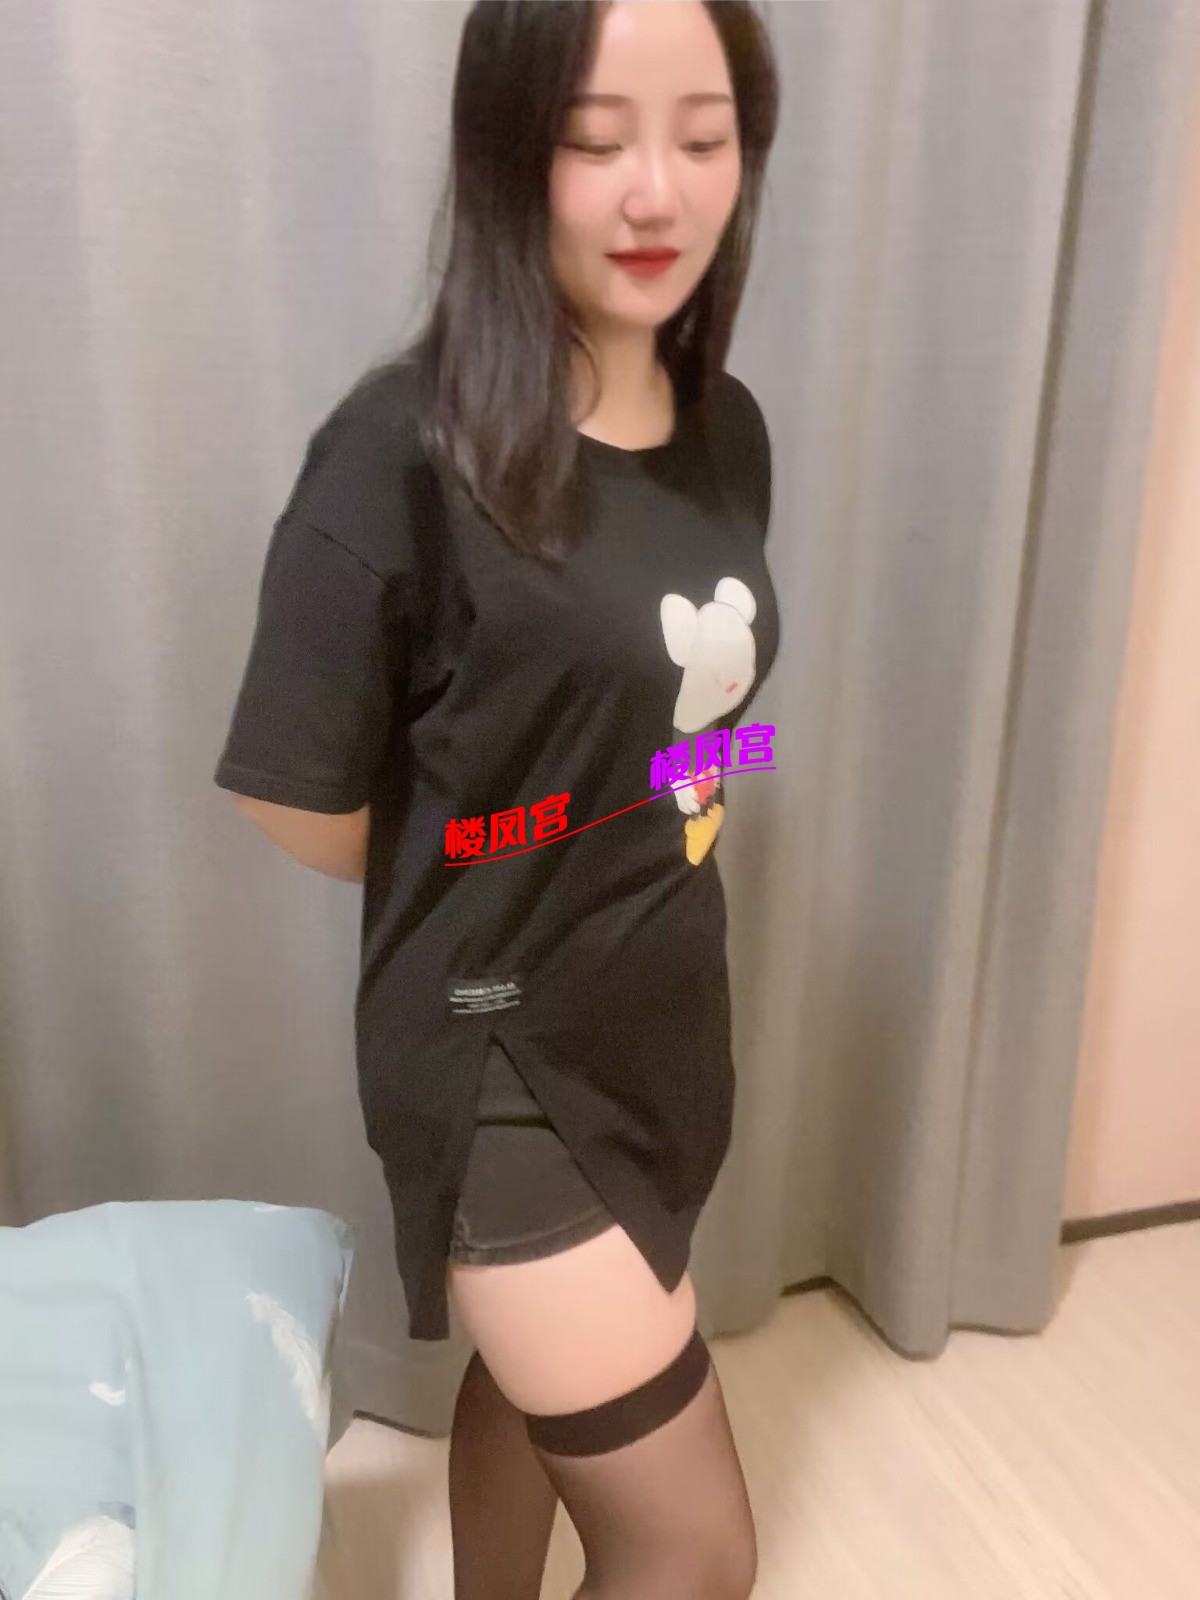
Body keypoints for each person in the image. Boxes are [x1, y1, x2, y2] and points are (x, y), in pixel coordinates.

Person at [214, 2, 780, 1595]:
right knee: (694, 1550)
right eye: (597, 140)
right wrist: (495, 865)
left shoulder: (726, 429)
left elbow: (672, 729)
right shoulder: (403, 451)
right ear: (507, 154)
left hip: (660, 1019)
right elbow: (301, 803)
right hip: (502, 1052)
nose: (657, 190)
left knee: (539, 1394)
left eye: (703, 136)